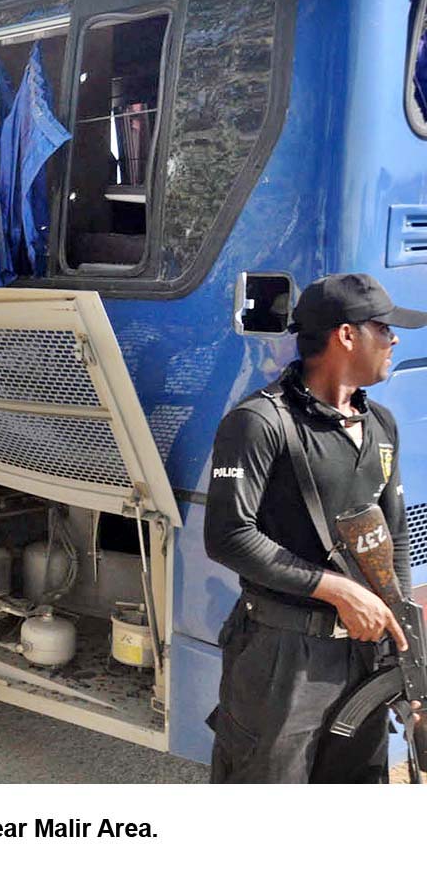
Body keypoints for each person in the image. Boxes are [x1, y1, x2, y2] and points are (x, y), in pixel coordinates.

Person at [205, 272, 424, 783]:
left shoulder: (380, 425)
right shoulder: (260, 422)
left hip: (363, 657)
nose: (395, 341)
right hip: (283, 658)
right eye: (384, 329)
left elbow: (392, 543)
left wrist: (411, 661)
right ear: (346, 336)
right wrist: (339, 592)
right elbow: (228, 535)